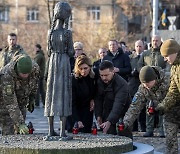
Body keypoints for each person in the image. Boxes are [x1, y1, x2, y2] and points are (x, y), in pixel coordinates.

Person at [44, 2, 74, 140]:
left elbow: (48, 51)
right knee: (64, 95)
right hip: (63, 64)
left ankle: (50, 131)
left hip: (52, 64)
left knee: (51, 95)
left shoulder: (50, 32)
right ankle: (62, 132)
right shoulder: (67, 33)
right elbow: (71, 51)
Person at [123, 66, 169, 138]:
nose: (146, 85)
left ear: (155, 78)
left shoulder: (168, 80)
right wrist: (125, 123)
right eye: (143, 83)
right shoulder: (143, 88)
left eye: (148, 82)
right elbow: (134, 107)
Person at [137, 35, 169, 137]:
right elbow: (139, 65)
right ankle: (149, 130)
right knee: (149, 108)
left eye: (157, 41)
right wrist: (144, 75)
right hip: (148, 86)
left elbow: (168, 66)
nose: (155, 42)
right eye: (153, 40)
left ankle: (161, 130)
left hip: (161, 85)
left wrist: (162, 74)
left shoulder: (164, 53)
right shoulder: (146, 54)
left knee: (161, 108)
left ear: (160, 41)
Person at [0, 55, 39, 135]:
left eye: (27, 73)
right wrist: (20, 123)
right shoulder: (6, 75)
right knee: (9, 133)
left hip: (21, 101)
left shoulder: (34, 68)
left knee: (21, 133)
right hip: (5, 105)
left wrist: (32, 97)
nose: (25, 76)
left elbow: (34, 82)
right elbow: (10, 102)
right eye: (23, 74)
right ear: (17, 70)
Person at [95, 60, 132, 138]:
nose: (104, 78)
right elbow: (98, 98)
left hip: (123, 111)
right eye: (101, 75)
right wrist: (98, 115)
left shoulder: (122, 84)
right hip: (107, 110)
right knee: (109, 135)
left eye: (106, 75)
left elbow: (119, 104)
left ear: (113, 72)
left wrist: (109, 121)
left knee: (124, 136)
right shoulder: (99, 81)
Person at [156, 39, 180, 154]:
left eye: (166, 56)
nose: (165, 59)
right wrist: (163, 106)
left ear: (173, 52)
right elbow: (174, 91)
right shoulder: (175, 67)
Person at [71, 55, 95, 133]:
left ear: (90, 67)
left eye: (85, 68)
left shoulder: (93, 77)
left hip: (87, 110)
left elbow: (96, 91)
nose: (83, 71)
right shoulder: (74, 80)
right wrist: (77, 119)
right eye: (81, 69)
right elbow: (72, 102)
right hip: (75, 110)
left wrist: (93, 99)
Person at [128, 40, 146, 132]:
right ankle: (134, 127)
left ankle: (143, 127)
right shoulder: (130, 57)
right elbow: (127, 69)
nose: (139, 48)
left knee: (143, 107)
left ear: (143, 47)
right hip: (132, 84)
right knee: (133, 106)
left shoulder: (146, 56)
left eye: (140, 46)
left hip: (143, 84)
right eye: (137, 46)